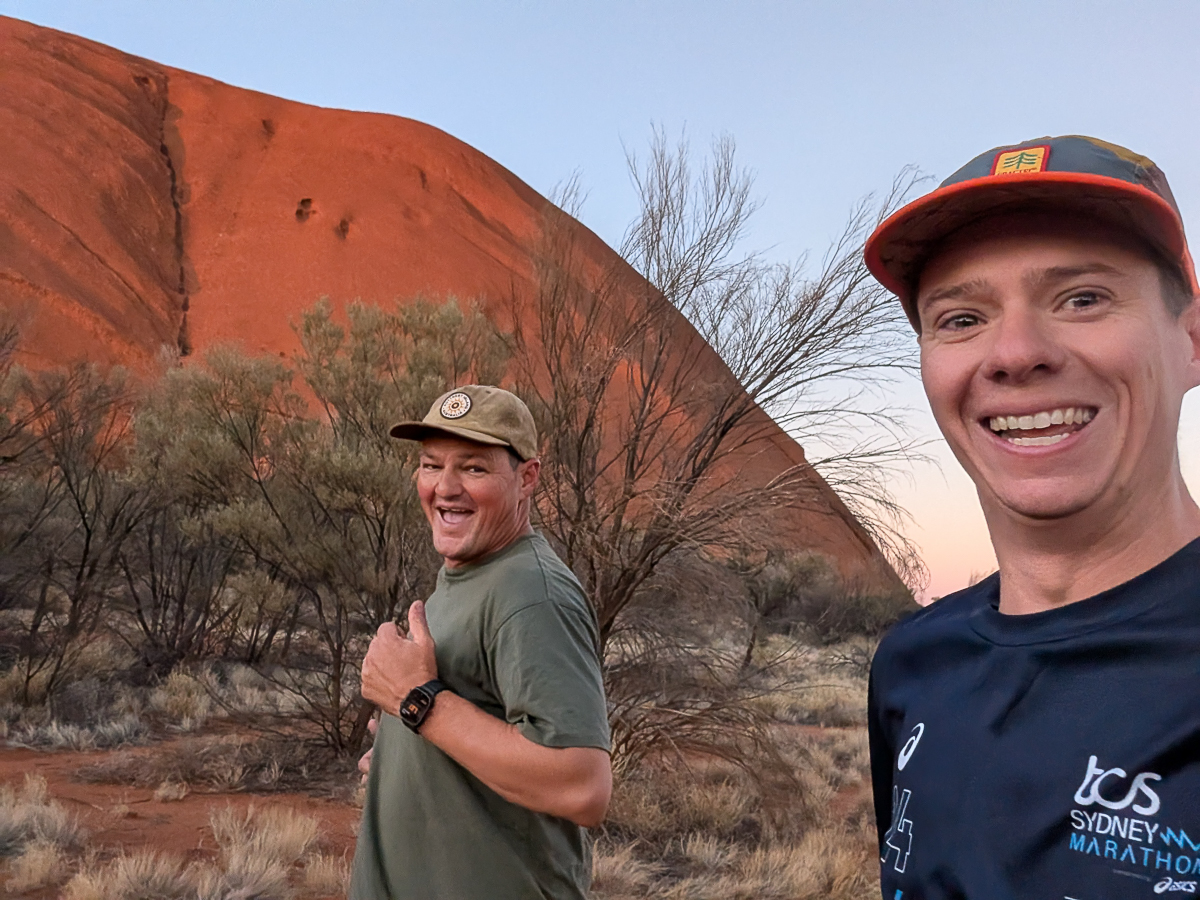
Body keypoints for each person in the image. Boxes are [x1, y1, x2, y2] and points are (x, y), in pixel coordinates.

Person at [863, 135, 1200, 898]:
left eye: (1082, 298)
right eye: (960, 318)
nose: (1015, 353)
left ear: (1191, 340)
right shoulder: (911, 665)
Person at [348, 385, 612, 900]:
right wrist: (408, 757)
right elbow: (474, 728)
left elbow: (582, 786)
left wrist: (417, 702)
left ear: (526, 478)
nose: (445, 488)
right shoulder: (475, 571)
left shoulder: (530, 591)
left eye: (473, 468)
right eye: (431, 465)